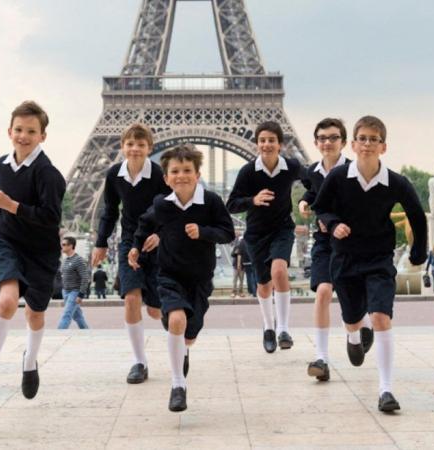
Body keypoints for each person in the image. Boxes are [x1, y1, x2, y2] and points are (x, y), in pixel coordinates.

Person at [313, 115, 427, 412]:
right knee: (352, 317)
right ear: (353, 144)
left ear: (383, 147)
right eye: (362, 138)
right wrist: (334, 223)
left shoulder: (396, 182)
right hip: (345, 258)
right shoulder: (338, 178)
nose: (366, 144)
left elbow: (416, 214)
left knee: (380, 318)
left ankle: (386, 390)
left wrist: (419, 253)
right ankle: (353, 333)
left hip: (378, 258)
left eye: (373, 139)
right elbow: (321, 208)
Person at [0, 100, 66, 403]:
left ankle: (30, 360)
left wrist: (12, 206)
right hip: (12, 242)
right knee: (7, 302)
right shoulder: (1, 165)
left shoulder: (48, 174)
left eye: (31, 131)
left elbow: (51, 218)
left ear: (43, 136)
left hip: (41, 250)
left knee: (36, 314)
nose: (23, 136)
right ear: (9, 131)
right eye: (19, 130)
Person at [128, 144, 235, 412]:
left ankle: (183, 349)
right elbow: (145, 224)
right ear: (166, 178)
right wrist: (135, 246)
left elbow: (227, 233)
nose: (181, 175)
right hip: (169, 275)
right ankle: (178, 385)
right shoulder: (162, 204)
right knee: (177, 319)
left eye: (187, 170)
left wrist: (203, 232)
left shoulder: (211, 202)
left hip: (199, 279)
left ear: (198, 174)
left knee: (189, 333)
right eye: (175, 171)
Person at [91, 123, 169, 384]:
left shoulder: (159, 174)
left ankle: (178, 337)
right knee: (131, 299)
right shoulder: (115, 174)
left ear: (150, 148)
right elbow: (110, 211)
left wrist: (161, 234)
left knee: (157, 311)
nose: (135, 149)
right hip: (128, 243)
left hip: (156, 242)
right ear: (122, 146)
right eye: (130, 144)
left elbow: (172, 209)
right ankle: (139, 362)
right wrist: (101, 242)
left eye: (140, 144)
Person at [299, 118, 372, 382]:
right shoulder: (312, 172)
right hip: (324, 242)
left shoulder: (356, 170)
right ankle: (322, 357)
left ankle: (358, 331)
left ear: (343, 142)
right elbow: (312, 192)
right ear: (316, 143)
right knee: (323, 291)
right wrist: (304, 202)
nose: (327, 142)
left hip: (351, 242)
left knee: (353, 299)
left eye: (333, 137)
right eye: (322, 138)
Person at [226, 121, 304, 353]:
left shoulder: (291, 166)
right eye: (262, 140)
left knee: (279, 271)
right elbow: (231, 204)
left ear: (280, 144)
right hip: (256, 233)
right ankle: (268, 327)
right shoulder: (248, 172)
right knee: (263, 284)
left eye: (271, 140)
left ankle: (283, 329)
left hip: (282, 228)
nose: (266, 144)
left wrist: (305, 200)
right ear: (256, 143)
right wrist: (253, 200)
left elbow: (314, 183)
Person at [57, 236, 90, 329]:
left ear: (71, 246)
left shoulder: (79, 260)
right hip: (65, 291)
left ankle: (58, 334)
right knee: (77, 316)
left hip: (75, 292)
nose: (62, 246)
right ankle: (87, 332)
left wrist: (81, 295)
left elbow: (85, 277)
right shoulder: (65, 260)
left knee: (66, 314)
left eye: (64, 245)